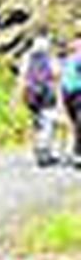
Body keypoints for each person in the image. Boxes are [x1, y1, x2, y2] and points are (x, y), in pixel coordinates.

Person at [21, 34, 61, 166]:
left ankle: (38, 147)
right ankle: (45, 150)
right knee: (49, 121)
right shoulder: (50, 58)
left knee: (36, 122)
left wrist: (22, 94)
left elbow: (23, 77)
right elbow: (56, 74)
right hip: (47, 94)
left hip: (32, 94)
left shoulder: (27, 58)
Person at [63, 36, 81, 165]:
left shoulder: (66, 60)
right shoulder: (76, 60)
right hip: (77, 94)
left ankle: (73, 152)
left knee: (74, 124)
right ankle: (76, 152)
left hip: (68, 95)